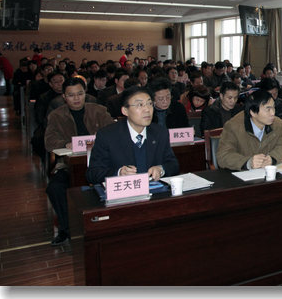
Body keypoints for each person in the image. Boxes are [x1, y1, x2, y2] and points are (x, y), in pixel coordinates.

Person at [44, 77, 115, 245]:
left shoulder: (98, 110)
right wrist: (65, 144)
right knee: (55, 188)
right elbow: (49, 142)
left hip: (100, 163)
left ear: (85, 93)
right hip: (70, 165)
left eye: (80, 94)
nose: (76, 98)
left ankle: (108, 225)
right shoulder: (56, 115)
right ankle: (65, 228)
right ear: (64, 97)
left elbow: (114, 131)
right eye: (71, 95)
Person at [86, 86, 180, 185]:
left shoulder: (160, 132)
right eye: (140, 105)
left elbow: (173, 165)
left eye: (149, 104)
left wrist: (161, 169)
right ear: (125, 111)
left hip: (153, 190)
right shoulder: (107, 135)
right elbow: (93, 173)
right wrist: (119, 173)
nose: (147, 109)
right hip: (123, 191)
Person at [216, 90, 282, 171]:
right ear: (253, 112)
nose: (273, 113)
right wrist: (248, 162)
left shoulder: (278, 124)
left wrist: (272, 158)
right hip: (242, 174)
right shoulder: (233, 127)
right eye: (268, 109)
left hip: (266, 173)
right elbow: (223, 156)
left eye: (273, 107)